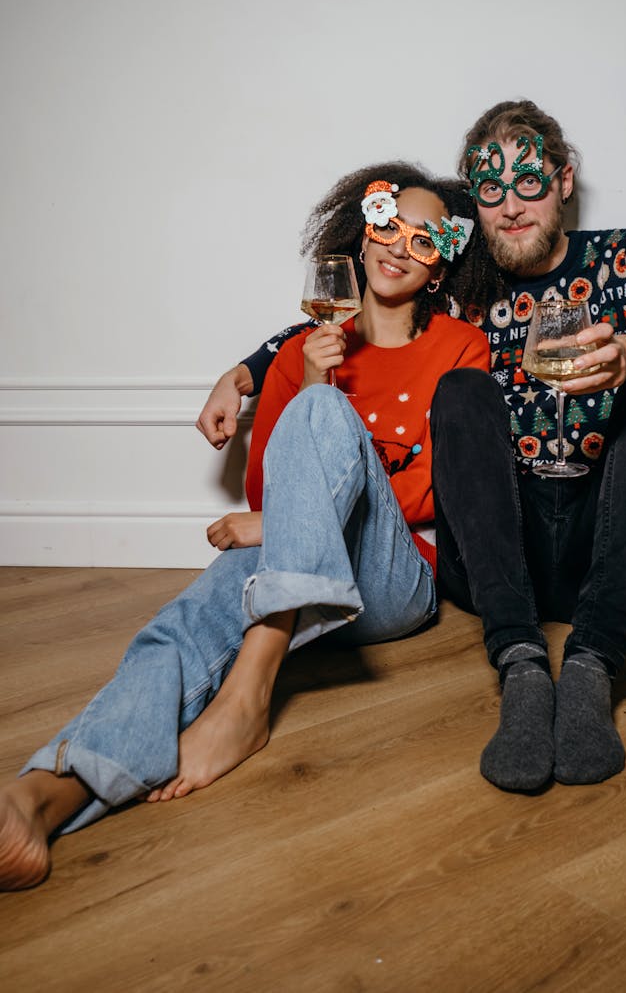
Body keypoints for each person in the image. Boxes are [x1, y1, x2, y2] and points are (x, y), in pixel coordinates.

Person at [195, 100, 626, 793]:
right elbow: (354, 318)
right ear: (473, 203)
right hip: (493, 555)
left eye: (529, 182)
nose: (510, 206)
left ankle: (594, 665)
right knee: (461, 392)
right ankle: (520, 665)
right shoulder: (462, 286)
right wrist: (241, 374)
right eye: (490, 188)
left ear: (564, 181)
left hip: (605, 544)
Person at [0, 162, 489, 890]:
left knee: (318, 430)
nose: (399, 246)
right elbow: (270, 485)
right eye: (389, 226)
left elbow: (434, 493)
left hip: (396, 578)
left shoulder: (459, 347)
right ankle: (49, 793)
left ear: (441, 262)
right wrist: (318, 382)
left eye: (423, 240)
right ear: (361, 234)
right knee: (191, 615)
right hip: (300, 567)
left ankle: (246, 696)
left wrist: (284, 508)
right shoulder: (299, 352)